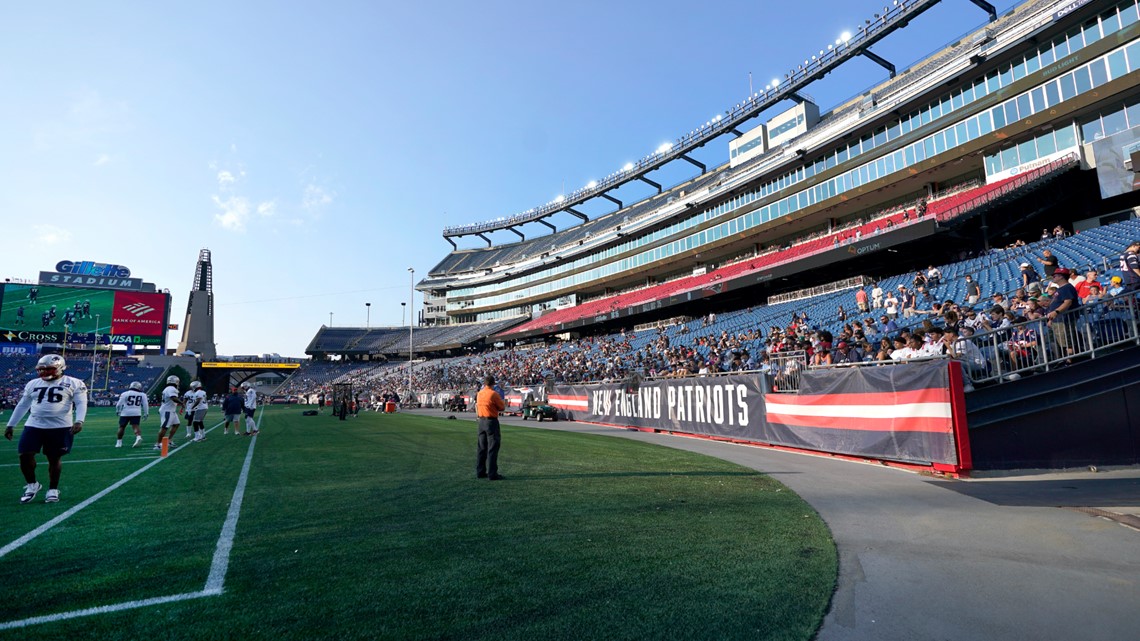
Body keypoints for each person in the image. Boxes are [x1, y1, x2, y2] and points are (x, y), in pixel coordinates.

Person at [4, 355, 87, 504]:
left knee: (54, 459)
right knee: (24, 455)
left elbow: (81, 403)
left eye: (49, 369)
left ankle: (53, 489)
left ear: (61, 368)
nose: (44, 373)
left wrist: (79, 420)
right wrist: (11, 424)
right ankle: (32, 485)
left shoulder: (74, 383)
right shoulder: (32, 383)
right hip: (34, 424)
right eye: (41, 369)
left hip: (60, 426)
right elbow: (23, 404)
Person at [475, 375, 505, 481]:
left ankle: (480, 471)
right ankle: (492, 473)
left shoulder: (479, 393)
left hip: (481, 421)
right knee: (493, 447)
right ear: (493, 383)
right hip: (491, 421)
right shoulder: (493, 394)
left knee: (481, 448)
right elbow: (502, 407)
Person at [114, 381, 148, 448]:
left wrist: (118, 411)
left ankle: (119, 442)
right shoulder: (143, 394)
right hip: (136, 412)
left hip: (125, 412)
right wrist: (146, 413)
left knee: (122, 427)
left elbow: (118, 404)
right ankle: (138, 437)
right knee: (135, 426)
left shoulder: (125, 393)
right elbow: (145, 405)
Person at [155, 375, 183, 450]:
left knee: (176, 424)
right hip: (167, 410)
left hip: (170, 410)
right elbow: (173, 398)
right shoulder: (171, 389)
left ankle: (169, 440)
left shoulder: (169, 388)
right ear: (175, 381)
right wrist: (182, 403)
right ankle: (158, 444)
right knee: (164, 427)